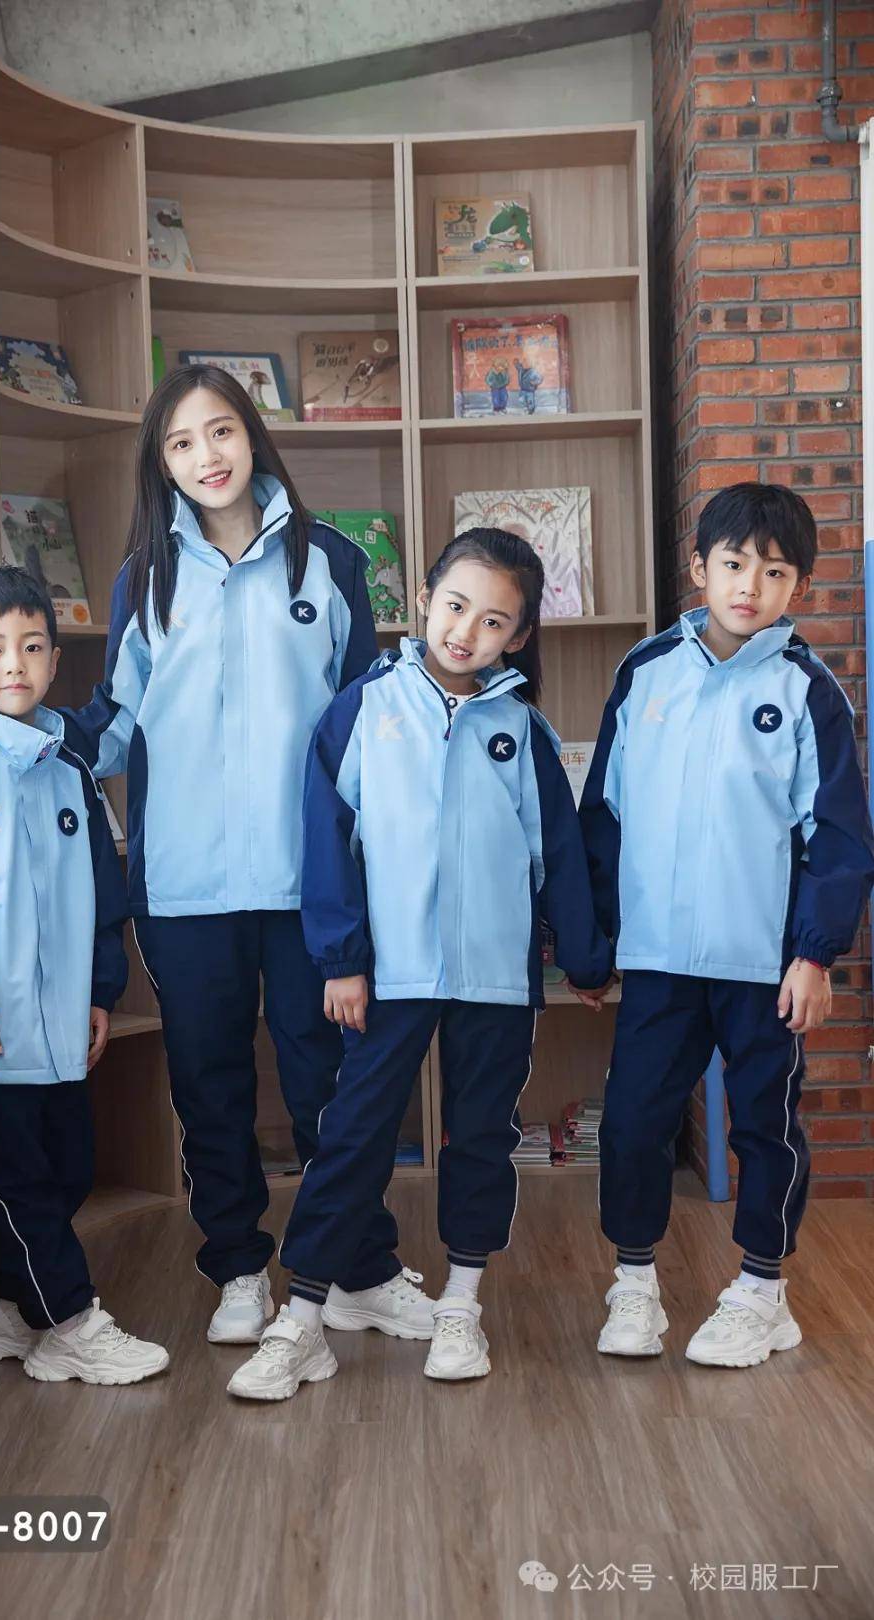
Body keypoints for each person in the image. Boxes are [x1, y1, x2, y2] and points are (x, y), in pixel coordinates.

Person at [68, 364, 432, 1347]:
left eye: (220, 431)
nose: (207, 457)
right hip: (184, 884)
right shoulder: (145, 578)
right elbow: (115, 723)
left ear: (253, 435)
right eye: (182, 443)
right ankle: (236, 1268)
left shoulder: (330, 562)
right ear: (162, 464)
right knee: (211, 1087)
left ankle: (356, 1269)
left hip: (311, 881)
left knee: (330, 1087)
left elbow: (365, 724)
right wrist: (23, 740)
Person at [227, 529, 612, 1399]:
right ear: (424, 599)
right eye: (456, 606)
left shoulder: (521, 730)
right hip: (388, 975)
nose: (467, 631)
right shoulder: (363, 709)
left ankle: (462, 1305)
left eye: (494, 621)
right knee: (353, 1137)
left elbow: (559, 855)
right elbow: (327, 844)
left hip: (494, 981)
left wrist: (586, 961)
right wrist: (341, 961)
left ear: (518, 636)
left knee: (481, 1138)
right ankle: (304, 1319)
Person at [580, 482, 874, 1368]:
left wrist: (813, 956)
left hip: (762, 963)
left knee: (763, 1129)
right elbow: (605, 815)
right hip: (660, 959)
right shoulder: (645, 672)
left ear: (799, 587)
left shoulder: (807, 690)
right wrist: (596, 944)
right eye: (735, 563)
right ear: (698, 566)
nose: (750, 585)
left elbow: (839, 837)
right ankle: (635, 1283)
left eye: (774, 572)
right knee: (633, 1123)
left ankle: (761, 1291)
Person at [0, 565, 168, 1385]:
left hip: (61, 1025)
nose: (14, 664)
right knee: (15, 1186)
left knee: (67, 1170)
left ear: (56, 661)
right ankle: (70, 1323)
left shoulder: (71, 761)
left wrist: (100, 993)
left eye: (31, 647)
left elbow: (99, 892)